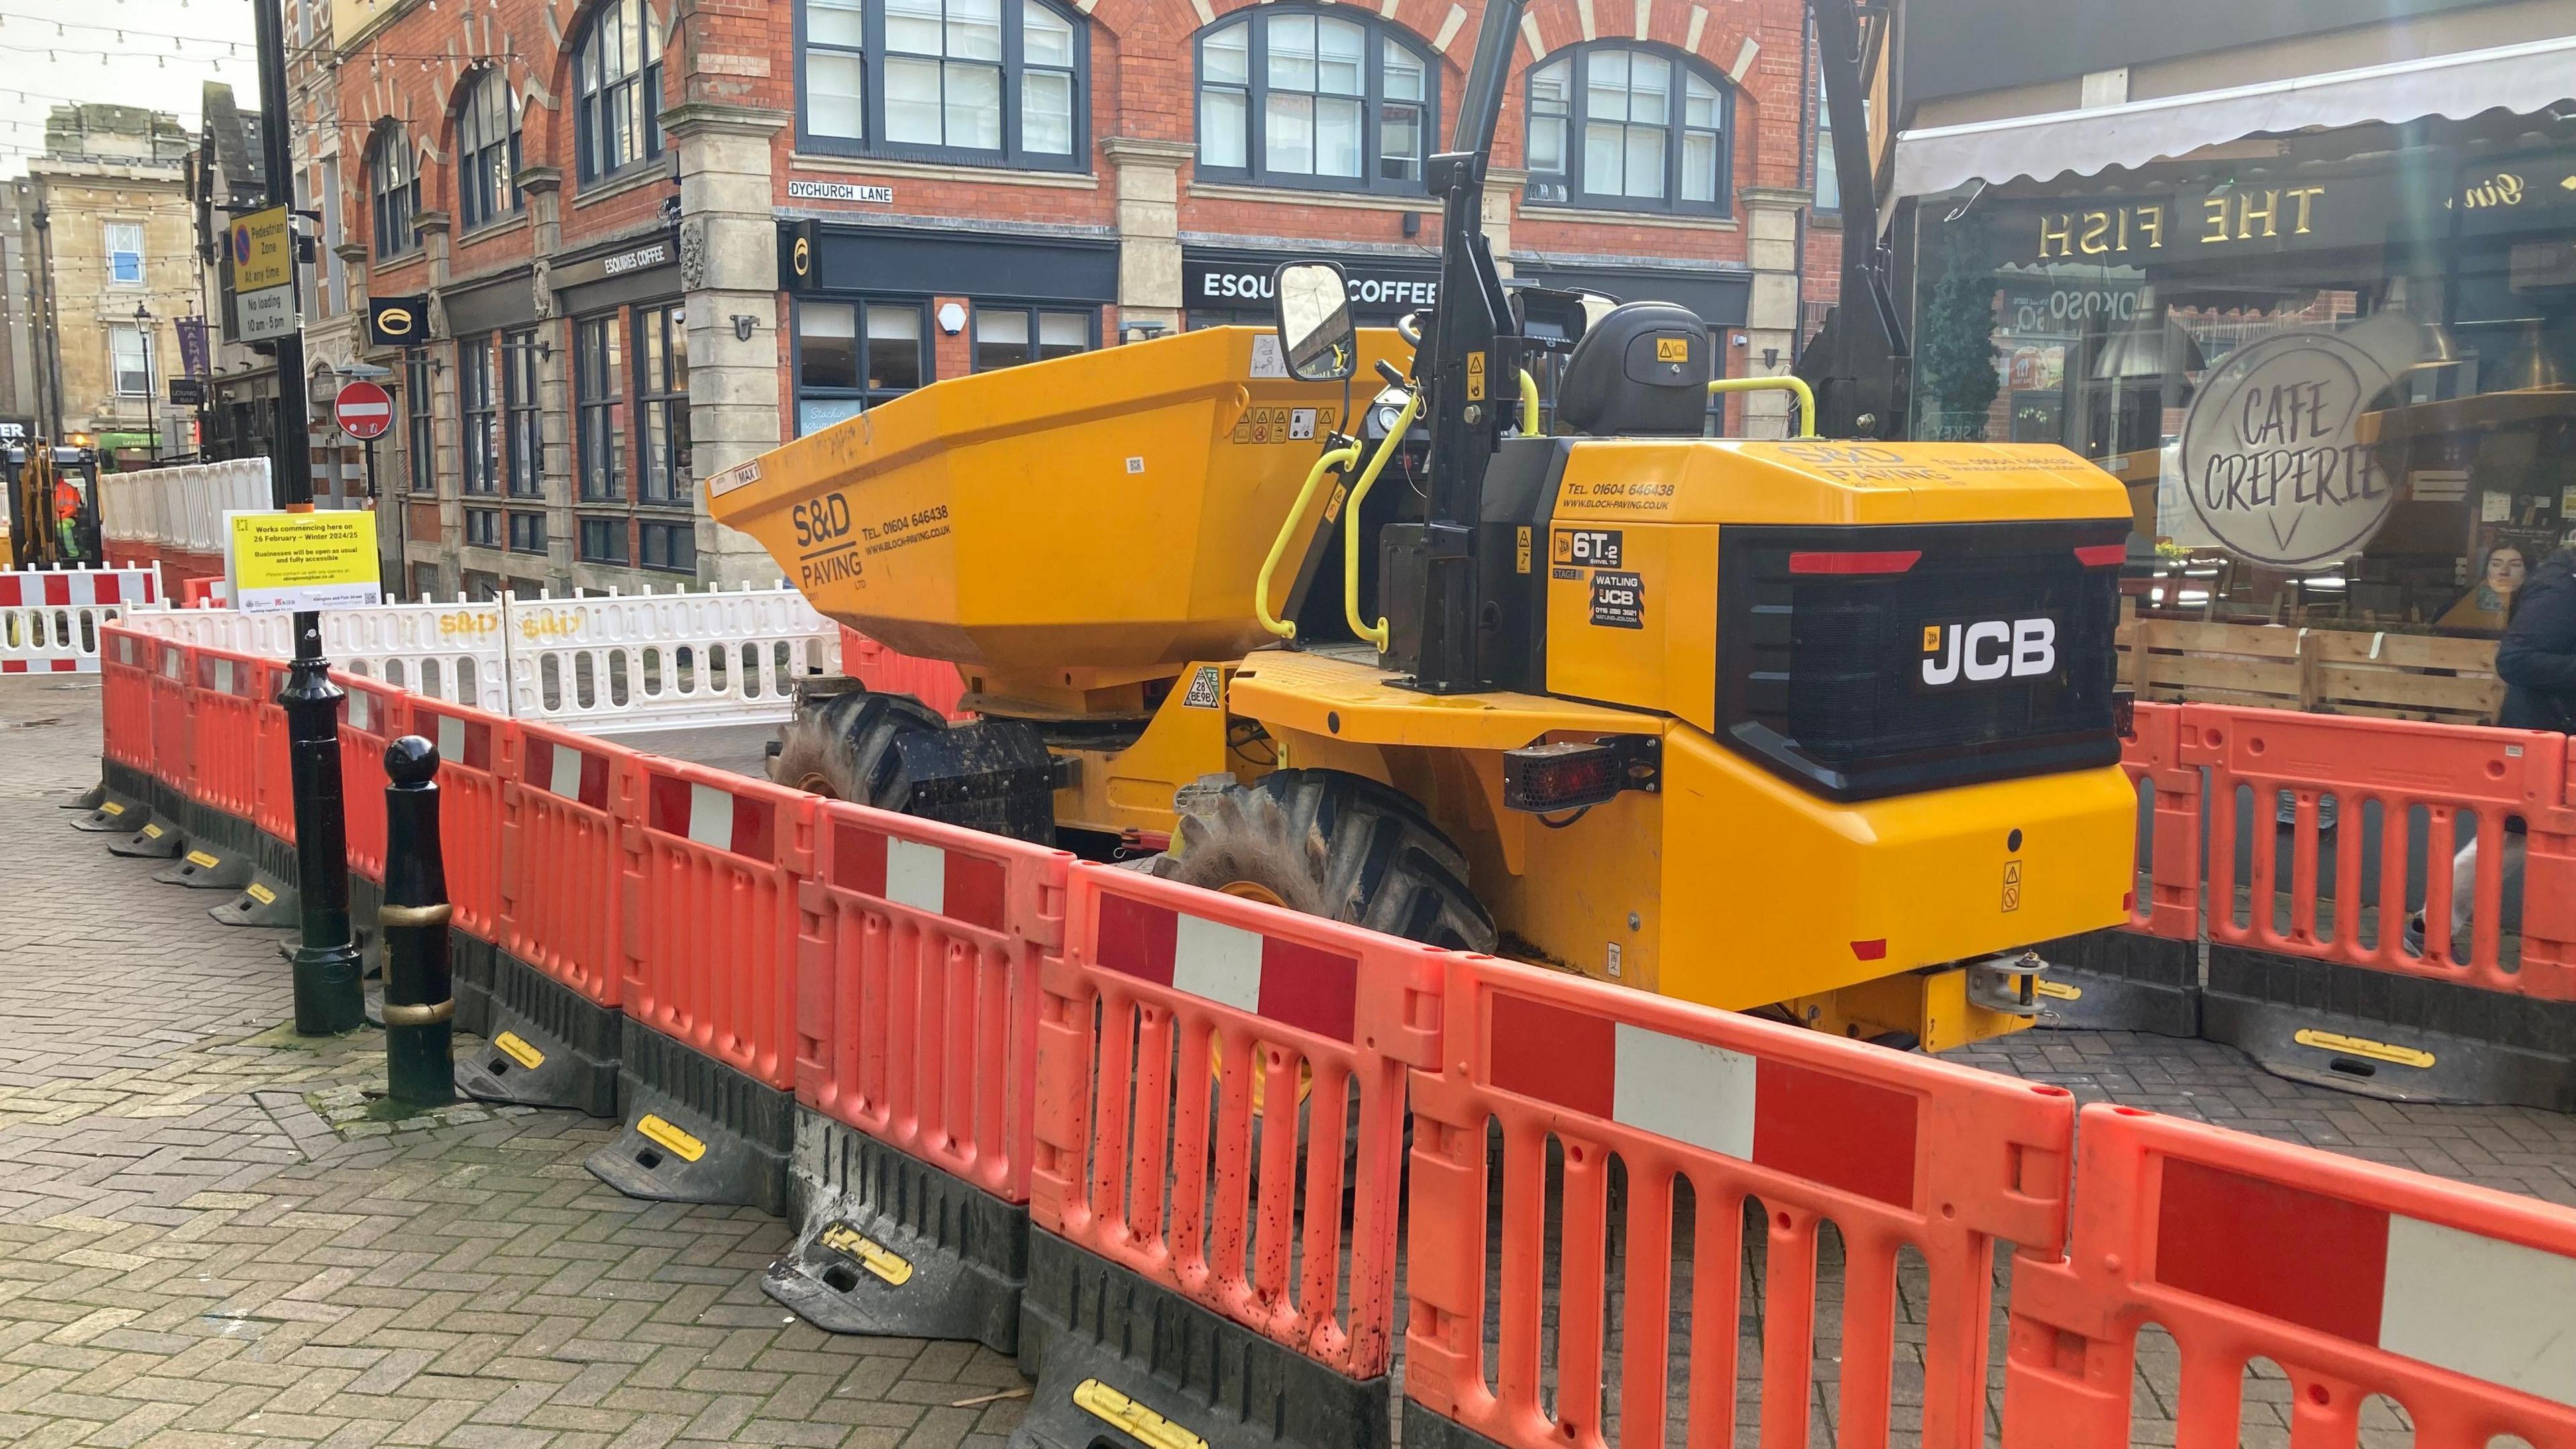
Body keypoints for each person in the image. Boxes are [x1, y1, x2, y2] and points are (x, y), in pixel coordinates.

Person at [2408, 544, 2576, 954]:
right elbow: (2515, 660)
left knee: (2510, 840)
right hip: (2547, 740)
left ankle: (2428, 930)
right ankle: (2428, 931)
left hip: (2556, 736)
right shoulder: (2562, 587)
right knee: (2510, 839)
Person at [53, 472, 81, 560]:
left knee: (62, 527)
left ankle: (73, 554)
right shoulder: (46, 489)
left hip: (69, 517)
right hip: (54, 518)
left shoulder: (68, 489)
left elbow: (71, 508)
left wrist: (57, 517)